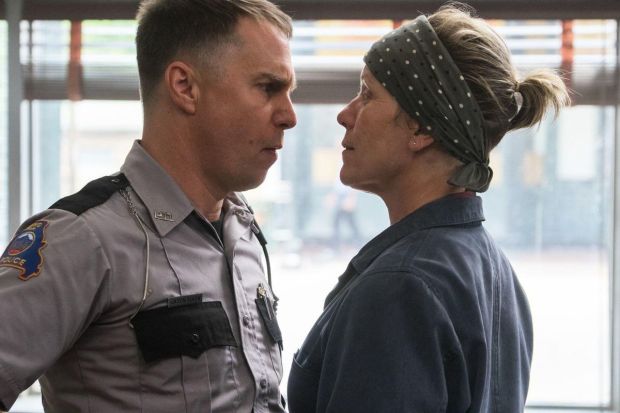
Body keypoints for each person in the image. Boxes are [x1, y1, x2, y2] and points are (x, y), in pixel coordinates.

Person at [0, 0, 296, 411]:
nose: (289, 116)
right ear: (185, 87)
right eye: (268, 88)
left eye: (289, 93)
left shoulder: (242, 230)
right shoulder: (84, 238)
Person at [287, 4, 569, 413]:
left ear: (421, 128)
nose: (345, 114)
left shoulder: (399, 289)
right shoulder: (493, 268)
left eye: (367, 94)